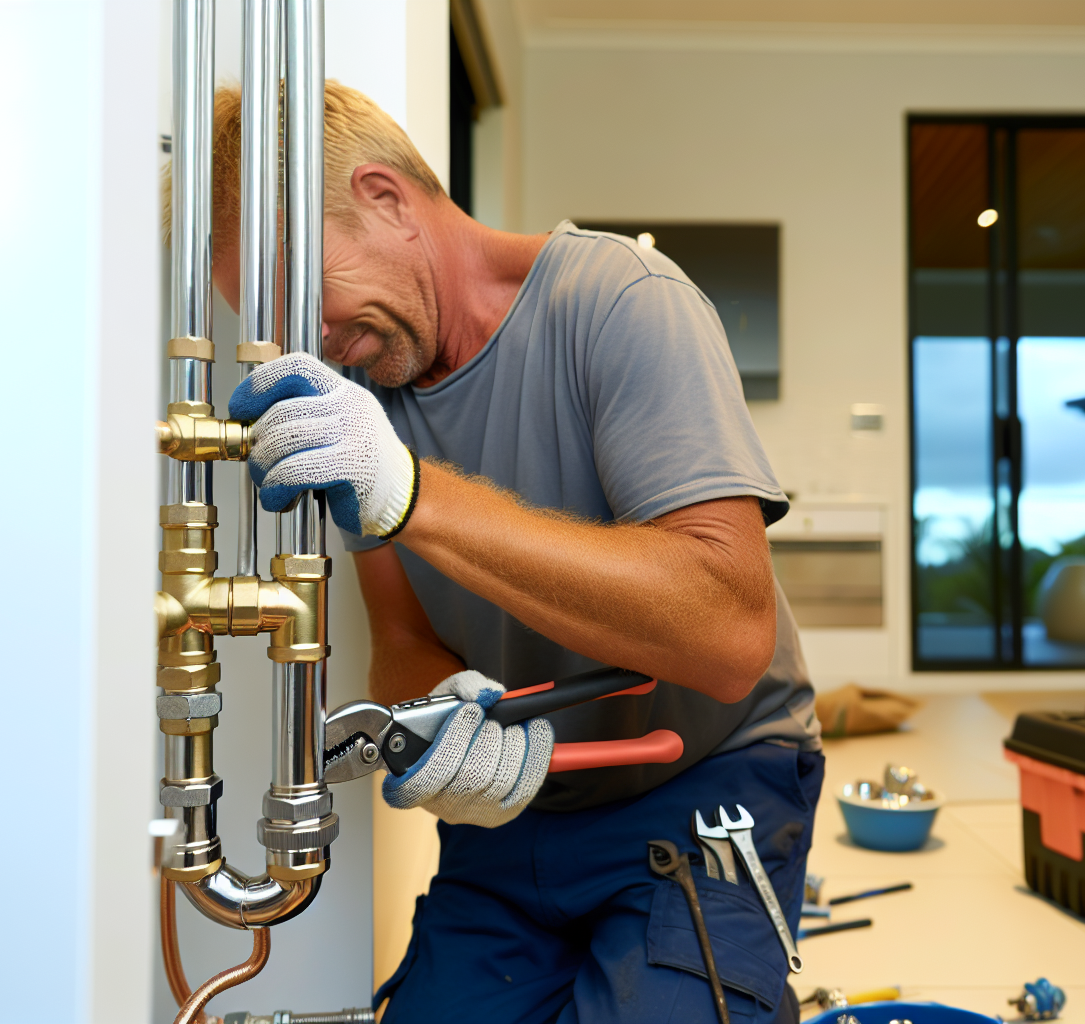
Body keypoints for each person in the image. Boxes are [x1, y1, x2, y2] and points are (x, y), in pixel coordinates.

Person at [207, 82, 821, 1023]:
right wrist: (438, 727)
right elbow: (406, 638)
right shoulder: (364, 388)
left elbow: (729, 636)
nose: (310, 339)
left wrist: (415, 494)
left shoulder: (622, 303)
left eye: (303, 292)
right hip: (525, 813)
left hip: (701, 778)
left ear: (385, 197)